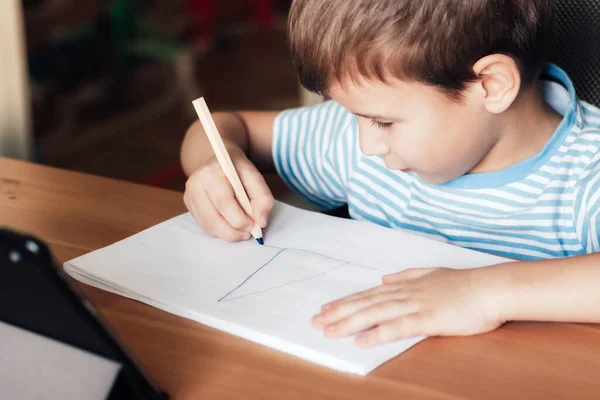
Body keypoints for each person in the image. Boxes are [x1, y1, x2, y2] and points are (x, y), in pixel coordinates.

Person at [180, 0, 600, 348]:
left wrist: (481, 293)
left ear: (489, 85)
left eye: (382, 122)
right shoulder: (350, 141)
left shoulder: (586, 171)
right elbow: (222, 126)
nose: (366, 145)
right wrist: (214, 165)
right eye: (355, 117)